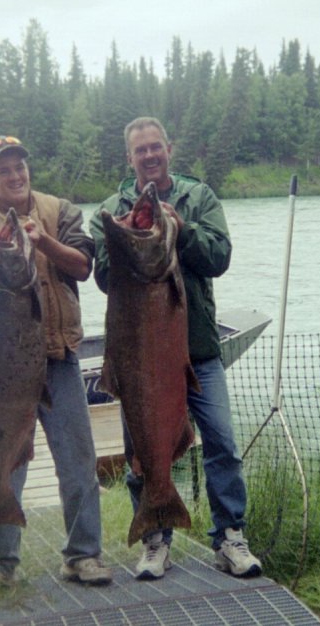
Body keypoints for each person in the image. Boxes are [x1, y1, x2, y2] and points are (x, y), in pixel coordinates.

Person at [89, 116, 262, 580]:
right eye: (139, 150)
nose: (149, 156)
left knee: (222, 443)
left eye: (155, 147)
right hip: (138, 359)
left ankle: (230, 538)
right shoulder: (110, 208)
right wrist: (123, 236)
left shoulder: (199, 197)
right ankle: (154, 538)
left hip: (200, 353)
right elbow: (105, 277)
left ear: (168, 149)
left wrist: (181, 231)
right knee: (140, 450)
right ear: (129, 158)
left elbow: (219, 257)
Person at [0, 135, 112, 588]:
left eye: (19, 166)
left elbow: (84, 266)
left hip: (60, 360)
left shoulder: (60, 210)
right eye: (2, 170)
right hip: (3, 368)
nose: (14, 175)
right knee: (4, 463)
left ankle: (83, 555)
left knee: (78, 462)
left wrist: (41, 241)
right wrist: (8, 251)